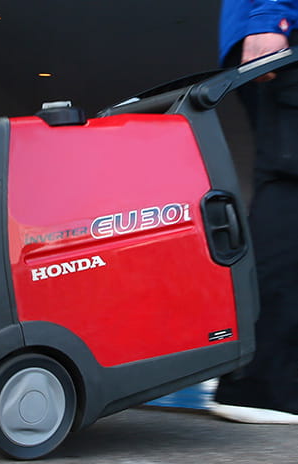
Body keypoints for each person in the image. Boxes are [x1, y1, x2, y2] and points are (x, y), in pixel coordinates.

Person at [211, 0, 298, 424]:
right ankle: (261, 383)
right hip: (285, 29)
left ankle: (264, 379)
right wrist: (271, 17)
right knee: (289, 191)